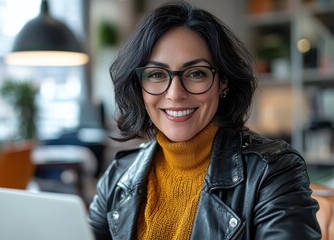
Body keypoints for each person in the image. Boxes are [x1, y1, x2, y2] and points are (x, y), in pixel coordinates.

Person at [88, 1, 321, 239]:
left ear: (223, 82)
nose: (175, 94)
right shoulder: (118, 176)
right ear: (140, 87)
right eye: (156, 74)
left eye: (196, 73)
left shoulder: (272, 171)